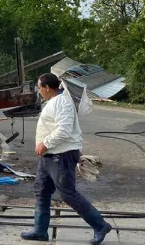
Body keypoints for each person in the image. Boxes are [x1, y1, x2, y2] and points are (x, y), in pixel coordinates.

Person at [21, 73, 112, 243]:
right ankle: (40, 230)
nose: (38, 91)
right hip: (48, 156)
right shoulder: (53, 101)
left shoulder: (62, 102)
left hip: (60, 155)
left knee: (68, 194)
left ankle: (100, 225)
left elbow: (64, 130)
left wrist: (44, 143)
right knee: (41, 190)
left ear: (47, 87)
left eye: (39, 87)